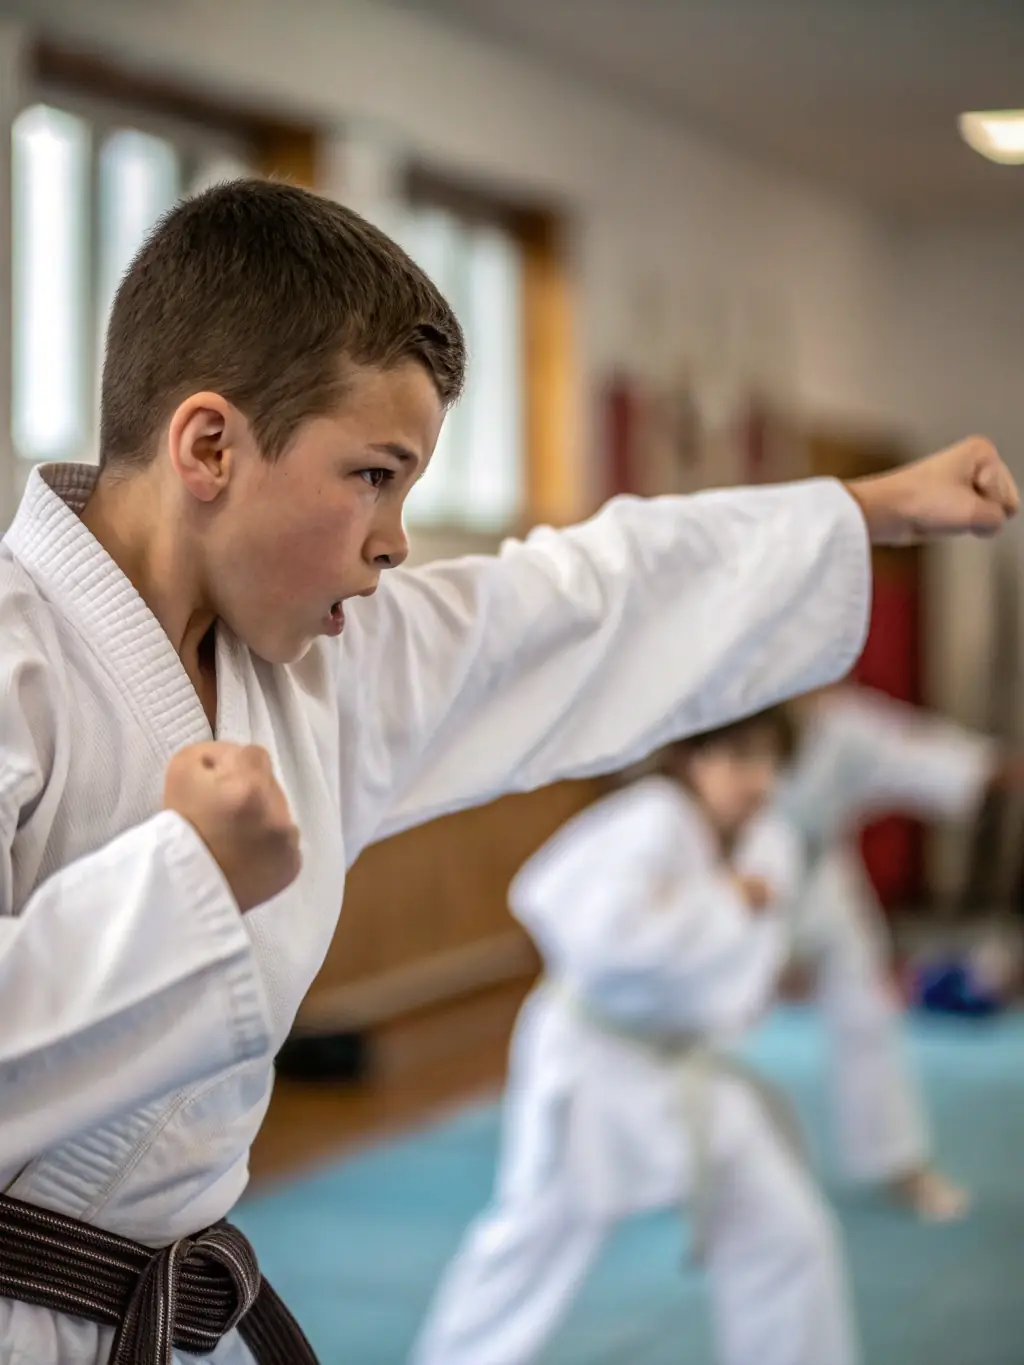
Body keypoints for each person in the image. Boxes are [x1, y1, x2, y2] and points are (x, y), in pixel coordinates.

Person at [0, 176, 1016, 1365]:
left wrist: (856, 511)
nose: (395, 540)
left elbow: (570, 603)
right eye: (372, 476)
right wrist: (185, 883)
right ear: (211, 444)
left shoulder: (313, 672)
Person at [410, 710, 860, 1365]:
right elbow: (590, 933)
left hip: (685, 1068)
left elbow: (759, 950)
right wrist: (724, 900)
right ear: (691, 760)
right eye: (737, 760)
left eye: (769, 764)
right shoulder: (647, 820)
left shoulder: (770, 842)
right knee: (532, 1240)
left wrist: (752, 937)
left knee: (787, 1233)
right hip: (593, 1063)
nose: (757, 781)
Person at [774, 683, 1024, 1220]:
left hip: (824, 887)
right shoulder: (716, 704)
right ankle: (659, 1168)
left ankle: (897, 1162)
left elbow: (926, 755)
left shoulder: (845, 725)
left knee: (867, 1014)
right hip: (727, 888)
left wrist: (999, 770)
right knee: (683, 1029)